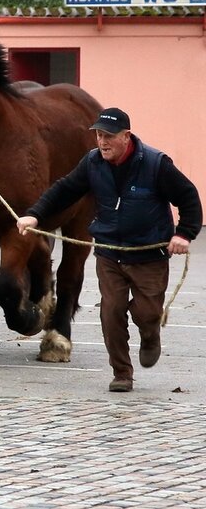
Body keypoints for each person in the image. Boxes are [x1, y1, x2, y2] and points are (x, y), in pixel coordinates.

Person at [16, 107, 202, 393]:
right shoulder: (92, 163)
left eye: (109, 137)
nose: (102, 142)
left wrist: (184, 233)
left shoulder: (155, 164)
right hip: (110, 253)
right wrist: (34, 215)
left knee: (147, 313)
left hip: (148, 255)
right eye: (99, 135)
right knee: (111, 312)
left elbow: (188, 196)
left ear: (126, 136)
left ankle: (150, 333)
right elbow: (64, 190)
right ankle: (122, 373)